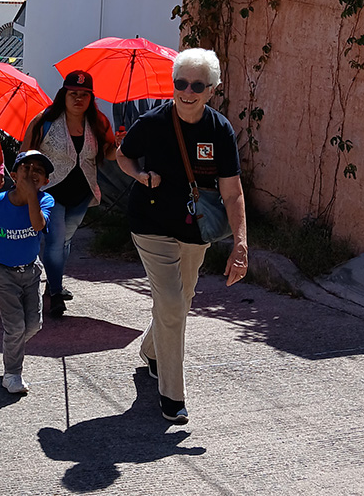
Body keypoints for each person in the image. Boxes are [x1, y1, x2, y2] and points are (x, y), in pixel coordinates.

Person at [116, 48, 248, 426]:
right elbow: (123, 155)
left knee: (181, 299)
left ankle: (151, 349)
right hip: (151, 223)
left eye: (197, 86)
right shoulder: (152, 122)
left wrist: (240, 244)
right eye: (181, 83)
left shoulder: (219, 130)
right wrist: (139, 175)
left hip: (195, 228)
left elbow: (232, 192)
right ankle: (172, 396)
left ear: (212, 90)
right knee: (173, 302)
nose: (187, 92)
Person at [21, 70, 118, 318]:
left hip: (82, 194)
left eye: (84, 94)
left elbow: (109, 154)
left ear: (91, 98)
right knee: (55, 242)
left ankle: (53, 282)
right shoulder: (44, 120)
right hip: (50, 192)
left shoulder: (99, 122)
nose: (78, 99)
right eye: (73, 93)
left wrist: (119, 145)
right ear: (63, 94)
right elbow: (25, 154)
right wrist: (25, 187)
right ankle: (55, 293)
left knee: (64, 241)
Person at [0, 150, 54, 395]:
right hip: (4, 274)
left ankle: (11, 346)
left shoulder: (45, 200)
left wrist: (31, 195)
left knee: (33, 325)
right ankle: (12, 373)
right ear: (13, 175)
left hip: (32, 271)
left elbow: (38, 224)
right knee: (16, 328)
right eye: (27, 168)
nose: (32, 173)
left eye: (39, 171)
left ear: (46, 181)